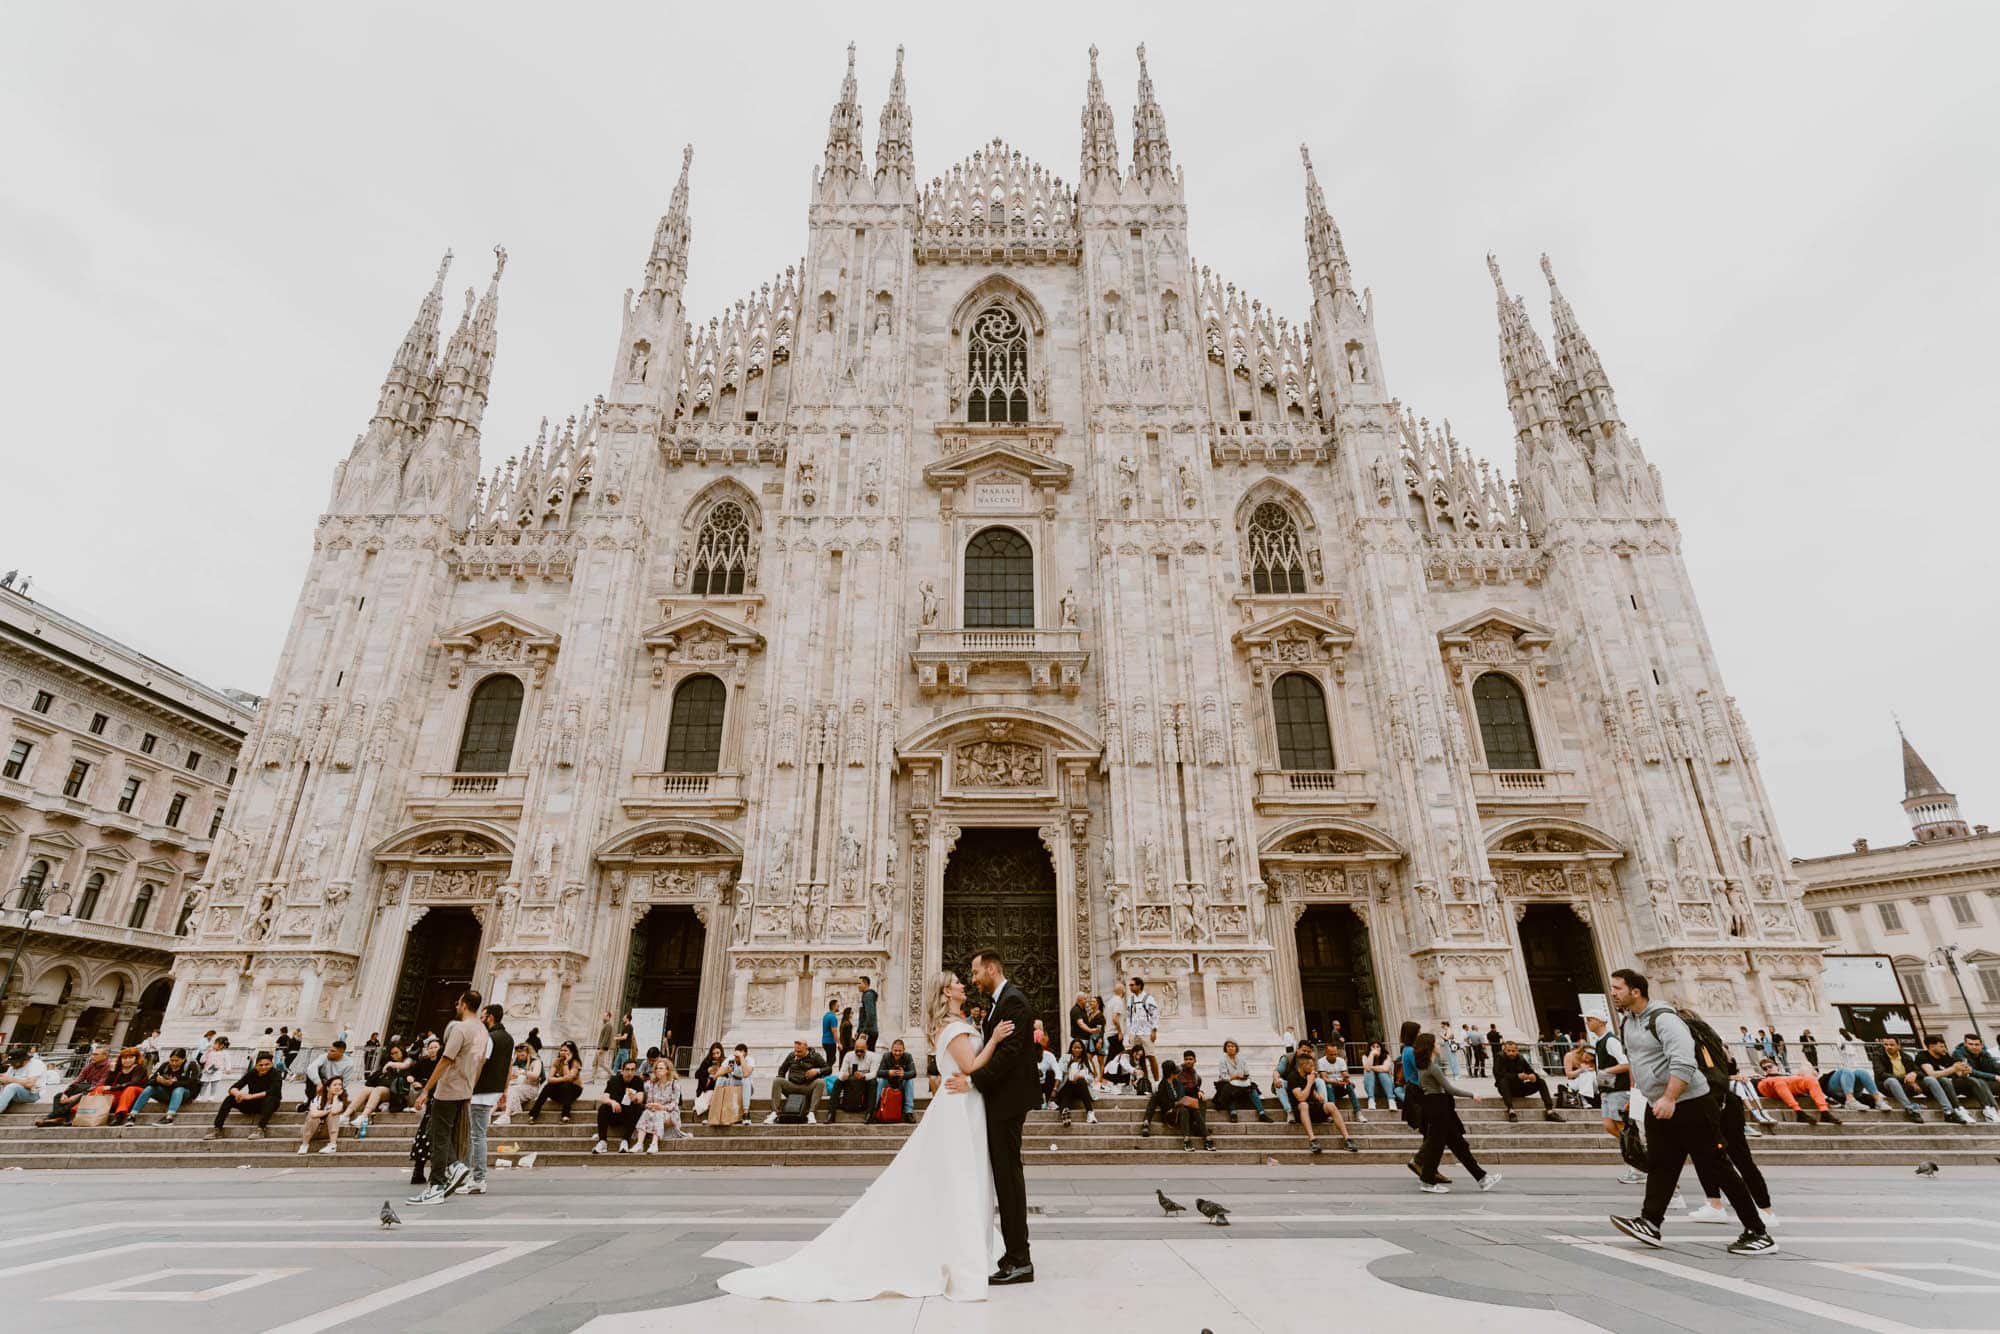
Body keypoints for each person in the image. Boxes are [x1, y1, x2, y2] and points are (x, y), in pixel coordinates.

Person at [717, 969, 1019, 1301]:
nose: (965, 983)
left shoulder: (956, 1023)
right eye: (958, 982)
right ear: (946, 993)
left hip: (964, 1106)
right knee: (959, 1176)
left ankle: (960, 1243)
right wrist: (994, 1041)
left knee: (957, 1178)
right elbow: (971, 1065)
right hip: (959, 1106)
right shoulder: (951, 1028)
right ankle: (955, 1250)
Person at [1607, 969, 1774, 1256]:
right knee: (1661, 1164)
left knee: (1716, 1165)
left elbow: (1684, 1061)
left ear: (1636, 991)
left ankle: (1758, 1232)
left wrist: (1671, 1097)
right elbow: (1640, 1060)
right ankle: (1650, 1222)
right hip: (1658, 1102)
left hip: (1691, 1103)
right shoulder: (1629, 1022)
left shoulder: (1665, 1020)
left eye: (1617, 988)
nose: (1613, 993)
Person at [960, 947, 1038, 1286]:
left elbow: (1008, 1055)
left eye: (976, 972)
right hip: (1000, 1101)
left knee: (1008, 1179)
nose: (973, 979)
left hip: (1007, 1103)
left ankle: (1020, 1258)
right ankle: (1013, 1255)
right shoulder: (1002, 1002)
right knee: (1005, 1178)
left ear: (992, 968)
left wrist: (972, 1081)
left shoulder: (1013, 1001)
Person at [1677, 1004, 1778, 1231]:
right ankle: (1719, 1204)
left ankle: (1762, 1209)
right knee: (1711, 1156)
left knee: (1728, 1157)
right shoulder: (1715, 1042)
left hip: (1713, 1102)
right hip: (1724, 1101)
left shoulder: (1694, 1045)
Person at [407, 989, 487, 1204]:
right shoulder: (482, 1031)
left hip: (449, 1088)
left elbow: (446, 1059)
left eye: (458, 1002)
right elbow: (479, 1062)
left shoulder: (461, 1028)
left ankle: (438, 1183)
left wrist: (425, 1090)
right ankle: (452, 1170)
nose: (456, 1005)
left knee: (437, 1135)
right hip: (465, 1089)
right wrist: (471, 1087)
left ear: (463, 1005)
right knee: (444, 1134)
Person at [1411, 1031, 1498, 1194]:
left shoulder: (1423, 1067)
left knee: (1459, 1145)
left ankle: (1482, 1178)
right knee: (1436, 1147)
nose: (1438, 1046)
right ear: (1430, 1047)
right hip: (1439, 1106)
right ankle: (1427, 1181)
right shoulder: (1433, 1068)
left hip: (1436, 1106)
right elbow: (1449, 1089)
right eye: (1436, 1043)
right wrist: (1472, 1094)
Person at [1586, 1013, 1642, 1184]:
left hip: (1618, 1090)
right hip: (1609, 1091)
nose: (1587, 1022)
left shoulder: (1610, 1040)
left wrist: (1607, 1072)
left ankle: (1639, 1167)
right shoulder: (1600, 1041)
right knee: (1610, 1126)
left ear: (1600, 1021)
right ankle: (1636, 1158)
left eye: (1590, 1019)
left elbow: (1626, 1063)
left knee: (1623, 1128)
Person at [466, 1003, 510, 1193]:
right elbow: (509, 1066)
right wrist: (504, 1090)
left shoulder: (489, 1037)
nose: (481, 1019)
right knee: (478, 1134)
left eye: (483, 1016)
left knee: (476, 1136)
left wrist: (469, 1087)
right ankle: (473, 1176)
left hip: (480, 1092)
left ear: (490, 1017)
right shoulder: (509, 1038)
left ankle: (477, 1178)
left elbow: (480, 1064)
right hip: (494, 1090)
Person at [1283, 1044, 1358, 1156]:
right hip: (1301, 1112)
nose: (1313, 1068)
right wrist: (1309, 1083)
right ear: (1303, 1065)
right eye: (1311, 1066)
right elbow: (1301, 1097)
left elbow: (1311, 1092)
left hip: (1313, 1107)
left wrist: (1318, 1095)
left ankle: (1347, 1139)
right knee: (1304, 1104)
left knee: (1330, 1105)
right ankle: (1313, 1140)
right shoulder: (1293, 1077)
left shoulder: (1309, 1075)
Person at [1873, 1035, 1960, 1123]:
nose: (1888, 1047)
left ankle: (1948, 1112)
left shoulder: (1906, 1057)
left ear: (1898, 1046)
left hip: (1907, 1086)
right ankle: (1910, 1110)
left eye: (1891, 1045)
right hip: (1888, 1087)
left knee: (1930, 1079)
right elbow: (1881, 1074)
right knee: (1892, 1081)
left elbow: (1920, 1072)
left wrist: (1914, 1073)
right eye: (1886, 1045)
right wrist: (1906, 1079)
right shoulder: (1878, 1056)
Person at [1920, 1035, 2000, 1124]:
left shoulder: (1945, 1056)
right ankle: (1958, 1109)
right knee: (1945, 1080)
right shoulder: (1923, 1056)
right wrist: (1953, 1069)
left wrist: (1964, 1072)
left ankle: (1988, 1109)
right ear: (1932, 1046)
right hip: (1934, 1087)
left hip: (1952, 1084)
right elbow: (1931, 1074)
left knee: (1974, 1080)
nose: (1944, 1049)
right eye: (1941, 1046)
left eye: (1944, 1046)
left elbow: (1959, 1074)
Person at [205, 1050, 283, 1139]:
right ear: (256, 1065)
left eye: (267, 1064)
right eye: (260, 1065)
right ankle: (218, 1129)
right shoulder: (252, 1073)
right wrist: (238, 1094)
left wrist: (250, 1096)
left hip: (269, 1103)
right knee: (230, 1098)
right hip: (253, 1103)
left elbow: (273, 1091)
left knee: (271, 1098)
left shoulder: (275, 1073)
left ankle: (260, 1129)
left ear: (271, 1064)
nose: (264, 1067)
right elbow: (234, 1087)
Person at [1753, 1055, 1840, 1125]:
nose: (1768, 1069)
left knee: (1811, 1080)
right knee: (1778, 1081)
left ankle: (1824, 1112)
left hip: (1787, 1085)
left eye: (1770, 1066)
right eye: (1765, 1068)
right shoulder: (1763, 1078)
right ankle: (1799, 1112)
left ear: (1777, 1066)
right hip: (1769, 1087)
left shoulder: (1787, 1075)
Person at [36, 1049, 113, 1126]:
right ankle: (60, 1118)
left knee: (82, 1095)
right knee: (58, 1096)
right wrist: (65, 1093)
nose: (92, 1056)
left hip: (98, 1092)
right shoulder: (90, 1065)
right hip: (87, 1088)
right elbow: (78, 1079)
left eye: (96, 1054)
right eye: (92, 1054)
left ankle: (51, 1116)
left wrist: (77, 1095)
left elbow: (99, 1085)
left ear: (105, 1056)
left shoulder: (109, 1066)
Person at [1493, 1039, 1562, 1122]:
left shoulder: (1521, 1058)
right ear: (1504, 1051)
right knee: (1503, 1081)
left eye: (1513, 1051)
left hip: (1520, 1088)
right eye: (1509, 1051)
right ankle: (1511, 1111)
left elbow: (1530, 1070)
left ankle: (1550, 1111)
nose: (1511, 1053)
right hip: (1506, 1089)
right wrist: (1517, 1076)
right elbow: (1499, 1075)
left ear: (1517, 1051)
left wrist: (1533, 1076)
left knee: (1541, 1081)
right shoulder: (1500, 1057)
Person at [124, 1047, 195, 1123]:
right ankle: (133, 1114)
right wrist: (158, 1080)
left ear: (183, 1060)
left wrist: (173, 1083)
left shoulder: (190, 1066)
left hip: (183, 1094)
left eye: (177, 1061)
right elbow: (150, 1080)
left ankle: (169, 1117)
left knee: (178, 1089)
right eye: (172, 1060)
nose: (174, 1063)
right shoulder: (165, 1066)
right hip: (166, 1094)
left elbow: (193, 1084)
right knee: (150, 1088)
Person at [636, 1055, 692, 1151]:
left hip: (671, 1114)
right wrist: (650, 1105)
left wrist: (661, 1107)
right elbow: (649, 1101)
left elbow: (675, 1104)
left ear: (667, 1070)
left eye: (661, 1068)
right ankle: (639, 1144)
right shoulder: (652, 1084)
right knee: (646, 1112)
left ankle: (654, 1144)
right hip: (654, 1111)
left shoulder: (674, 1084)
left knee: (658, 1113)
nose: (658, 1070)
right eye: (656, 1068)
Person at [767, 1039, 830, 1125]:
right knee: (777, 1080)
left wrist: (817, 1071)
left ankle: (811, 1113)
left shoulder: (815, 1056)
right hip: (792, 1086)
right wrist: (783, 1079)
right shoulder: (792, 1055)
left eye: (799, 1051)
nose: (797, 1053)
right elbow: (782, 1069)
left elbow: (828, 1069)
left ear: (806, 1048)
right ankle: (774, 1112)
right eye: (795, 1050)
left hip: (807, 1087)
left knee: (821, 1082)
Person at [593, 1057, 647, 1152]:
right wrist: (612, 1102)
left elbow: (640, 1098)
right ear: (622, 1070)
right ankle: (602, 1141)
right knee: (603, 1108)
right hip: (615, 1114)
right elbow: (604, 1098)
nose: (629, 1073)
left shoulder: (637, 1081)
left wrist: (634, 1098)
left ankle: (625, 1140)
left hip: (628, 1116)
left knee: (638, 1107)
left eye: (632, 1070)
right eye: (627, 1069)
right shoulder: (614, 1080)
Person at [1213, 1039, 1272, 1123]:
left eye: (1232, 1046)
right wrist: (1235, 1077)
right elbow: (1224, 1076)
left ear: (1236, 1048)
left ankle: (1261, 1113)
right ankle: (1233, 1113)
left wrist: (1245, 1077)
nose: (1230, 1048)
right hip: (1228, 1082)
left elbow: (1246, 1072)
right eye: (1228, 1046)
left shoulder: (1241, 1059)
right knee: (1228, 1089)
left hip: (1241, 1082)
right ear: (1225, 1048)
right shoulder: (1223, 1060)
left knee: (1252, 1087)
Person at [1826, 1030, 1886, 1110]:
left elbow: (1840, 1044)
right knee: (1847, 1070)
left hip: (1848, 1055)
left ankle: (1878, 1100)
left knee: (1861, 1072)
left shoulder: (1843, 1037)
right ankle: (1850, 1101)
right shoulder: (1847, 1037)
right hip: (1836, 1083)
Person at [530, 1041, 585, 1122]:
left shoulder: (575, 1062)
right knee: (549, 1086)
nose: (562, 1052)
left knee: (567, 1085)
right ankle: (533, 1114)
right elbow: (549, 1079)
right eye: (561, 1050)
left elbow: (569, 1079)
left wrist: (566, 1063)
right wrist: (563, 1079)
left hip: (574, 1091)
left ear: (572, 1052)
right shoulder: (557, 1061)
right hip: (561, 1092)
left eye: (565, 1050)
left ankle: (566, 1115)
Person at [297, 1074, 349, 1155]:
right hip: (309, 1131)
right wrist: (327, 1111)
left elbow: (335, 1111)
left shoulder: (340, 1101)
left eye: (340, 1085)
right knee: (313, 1117)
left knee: (334, 1114)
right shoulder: (318, 1098)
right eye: (335, 1085)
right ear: (328, 1088)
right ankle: (304, 1145)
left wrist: (336, 1097)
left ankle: (332, 1145)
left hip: (326, 1132)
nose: (338, 1087)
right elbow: (313, 1114)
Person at [301, 1040, 358, 1111]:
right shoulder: (324, 1057)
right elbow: (311, 1068)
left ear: (341, 1052)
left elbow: (345, 1083)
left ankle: (329, 1105)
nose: (329, 1052)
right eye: (329, 1050)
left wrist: (332, 1089)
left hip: (336, 1085)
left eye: (333, 1051)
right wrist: (318, 1082)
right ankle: (310, 1101)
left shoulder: (349, 1064)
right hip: (322, 1083)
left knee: (341, 1098)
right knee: (311, 1075)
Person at [97, 1047, 150, 1123]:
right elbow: (107, 1085)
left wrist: (114, 1088)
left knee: (130, 1088)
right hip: (120, 1093)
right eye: (124, 1058)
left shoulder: (140, 1067)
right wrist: (112, 1071)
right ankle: (78, 1111)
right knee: (99, 1088)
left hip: (136, 1093)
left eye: (130, 1057)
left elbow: (134, 1082)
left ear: (136, 1058)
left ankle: (120, 1115)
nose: (127, 1060)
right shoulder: (118, 1068)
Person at [834, 1035, 880, 1122]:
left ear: (866, 1048)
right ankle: (831, 1113)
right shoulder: (848, 1055)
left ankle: (869, 1113)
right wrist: (844, 1075)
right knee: (837, 1081)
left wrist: (864, 1076)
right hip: (851, 1081)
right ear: (854, 1048)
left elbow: (874, 1073)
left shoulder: (873, 1056)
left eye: (861, 1051)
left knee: (874, 1082)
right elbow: (842, 1071)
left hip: (865, 1082)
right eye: (857, 1050)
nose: (859, 1053)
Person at [1055, 1038, 1098, 1124]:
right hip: (1067, 1087)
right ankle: (1065, 1113)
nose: (1077, 1050)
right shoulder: (1065, 1057)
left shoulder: (1086, 1060)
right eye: (1075, 1047)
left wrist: (1081, 1076)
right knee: (1067, 1089)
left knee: (1081, 1081)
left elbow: (1091, 1078)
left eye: (1079, 1048)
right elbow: (1059, 1070)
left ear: (1082, 1049)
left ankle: (1090, 1112)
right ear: (1071, 1048)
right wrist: (1070, 1063)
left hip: (1080, 1088)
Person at [875, 1038, 918, 1123]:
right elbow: (879, 1072)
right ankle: (876, 1108)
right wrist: (889, 1072)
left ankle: (908, 1112)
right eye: (895, 1050)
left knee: (910, 1081)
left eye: (900, 1051)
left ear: (904, 1050)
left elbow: (914, 1073)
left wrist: (904, 1074)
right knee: (881, 1081)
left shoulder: (908, 1056)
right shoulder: (886, 1056)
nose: (897, 1053)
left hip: (901, 1083)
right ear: (891, 1049)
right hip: (889, 1083)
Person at [501, 1040, 544, 1122]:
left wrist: (523, 1072)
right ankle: (505, 1111)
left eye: (522, 1054)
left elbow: (535, 1075)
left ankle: (506, 1115)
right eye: (518, 1054)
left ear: (528, 1053)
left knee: (513, 1090)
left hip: (531, 1088)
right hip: (519, 1087)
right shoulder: (517, 1062)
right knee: (507, 1090)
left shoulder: (536, 1062)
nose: (520, 1056)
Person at [0, 1046, 48, 1115]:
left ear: (24, 1060)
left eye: (14, 1062)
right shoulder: (13, 1066)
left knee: (12, 1086)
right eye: (11, 1062)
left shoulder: (36, 1064)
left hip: (32, 1094)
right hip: (15, 1093)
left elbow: (30, 1084)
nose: (12, 1064)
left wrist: (9, 1079)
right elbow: (6, 1077)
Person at [1123, 977, 1160, 1053]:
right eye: (1130, 985)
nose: (1130, 987)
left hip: (1146, 1032)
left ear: (1139, 986)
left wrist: (1154, 1031)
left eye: (1132, 985)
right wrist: (1129, 1033)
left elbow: (1155, 1015)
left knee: (1150, 1055)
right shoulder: (1130, 1000)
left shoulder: (1149, 998)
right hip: (1134, 1032)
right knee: (1135, 1055)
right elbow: (1128, 1017)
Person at [1360, 1040, 1398, 1110]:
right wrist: (1372, 1054)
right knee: (1369, 1072)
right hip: (1373, 1089)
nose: (1375, 1048)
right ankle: (1371, 1100)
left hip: (1387, 1089)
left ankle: (1391, 1100)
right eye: (1373, 1047)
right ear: (1369, 1048)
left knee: (1382, 1073)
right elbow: (1367, 1069)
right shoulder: (1365, 1056)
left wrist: (1371, 1067)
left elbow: (1385, 1068)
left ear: (1381, 1048)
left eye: (1378, 1046)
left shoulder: (1386, 1056)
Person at [858, 976, 880, 1050]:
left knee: (867, 1055)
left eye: (859, 983)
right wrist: (858, 1031)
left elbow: (871, 1015)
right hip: (868, 1031)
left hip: (869, 1032)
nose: (858, 985)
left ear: (865, 984)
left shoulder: (868, 995)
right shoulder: (866, 995)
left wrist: (864, 1032)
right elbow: (862, 1016)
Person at [821, 999, 841, 1067]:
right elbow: (834, 1031)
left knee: (830, 1060)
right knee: (831, 1060)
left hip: (824, 1041)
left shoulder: (826, 1016)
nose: (838, 1007)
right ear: (833, 1006)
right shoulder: (833, 1017)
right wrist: (839, 1043)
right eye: (837, 1006)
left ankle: (826, 1074)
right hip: (830, 1042)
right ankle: (825, 1074)